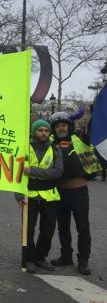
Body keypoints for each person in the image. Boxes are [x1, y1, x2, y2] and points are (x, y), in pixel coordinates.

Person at [49, 112, 102, 275]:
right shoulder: (50, 145)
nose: (61, 128)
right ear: (54, 129)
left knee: (83, 227)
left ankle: (83, 260)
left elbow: (93, 127)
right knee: (62, 227)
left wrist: (95, 108)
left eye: (64, 125)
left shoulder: (80, 139)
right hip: (60, 192)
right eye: (57, 126)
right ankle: (66, 256)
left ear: (69, 126)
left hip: (79, 192)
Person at [15, 119, 63, 273]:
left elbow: (57, 172)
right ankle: (28, 258)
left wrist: (33, 171)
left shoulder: (55, 148)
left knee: (48, 229)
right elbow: (17, 173)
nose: (43, 133)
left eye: (46, 131)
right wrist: (18, 194)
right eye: (40, 130)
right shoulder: (24, 147)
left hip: (50, 195)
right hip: (29, 194)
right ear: (34, 131)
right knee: (28, 229)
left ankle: (40, 257)